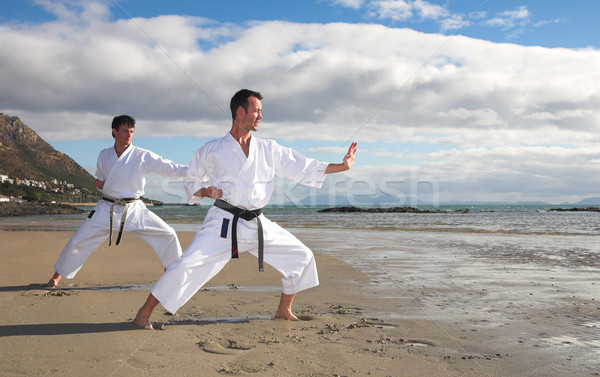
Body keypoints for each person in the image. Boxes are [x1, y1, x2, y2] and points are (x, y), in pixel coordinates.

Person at [133, 89, 357, 329]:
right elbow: (192, 181)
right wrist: (207, 192)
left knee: (301, 257)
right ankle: (143, 314)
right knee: (187, 265)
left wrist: (341, 166)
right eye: (257, 111)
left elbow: (301, 166)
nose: (260, 116)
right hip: (223, 222)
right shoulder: (213, 149)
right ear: (240, 111)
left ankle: (283, 309)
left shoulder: (268, 149)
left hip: (257, 223)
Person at [44, 115, 188, 288]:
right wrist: (100, 185)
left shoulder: (142, 155)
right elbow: (102, 180)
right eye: (125, 131)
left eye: (132, 132)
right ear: (115, 131)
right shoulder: (104, 155)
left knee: (169, 235)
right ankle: (56, 277)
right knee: (78, 240)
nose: (129, 135)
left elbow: (169, 168)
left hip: (134, 209)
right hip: (107, 208)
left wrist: (195, 170)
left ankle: (172, 274)